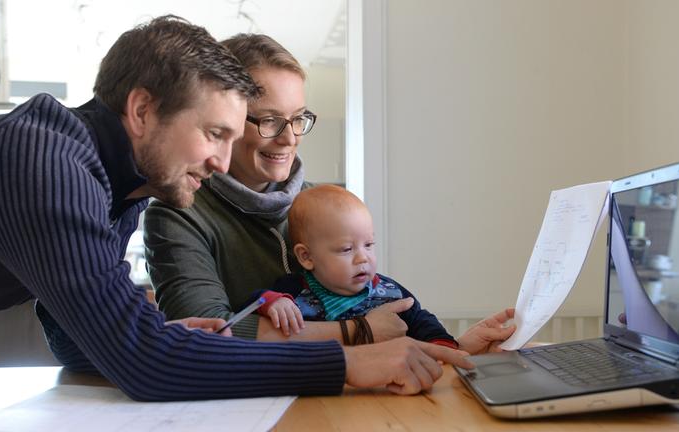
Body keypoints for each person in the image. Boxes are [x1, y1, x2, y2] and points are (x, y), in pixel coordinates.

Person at [0, 16, 474, 402]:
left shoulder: (120, 188)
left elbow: (76, 340)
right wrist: (348, 363)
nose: (220, 161)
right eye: (214, 133)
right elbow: (143, 367)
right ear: (143, 111)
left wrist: (164, 337)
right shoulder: (43, 160)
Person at [144, 33, 516, 354]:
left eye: (298, 118)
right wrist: (357, 332)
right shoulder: (181, 213)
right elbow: (206, 334)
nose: (290, 138)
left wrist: (456, 349)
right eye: (270, 120)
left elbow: (380, 307)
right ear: (226, 118)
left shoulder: (322, 204)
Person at [246, 184, 459, 348]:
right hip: (325, 379)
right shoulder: (293, 290)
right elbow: (252, 306)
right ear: (306, 256)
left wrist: (441, 342)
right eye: (347, 249)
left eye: (369, 245)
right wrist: (273, 303)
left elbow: (420, 318)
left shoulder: (388, 290)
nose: (362, 258)